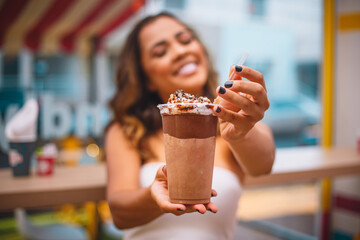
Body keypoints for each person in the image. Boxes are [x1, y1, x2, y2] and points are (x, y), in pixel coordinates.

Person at [105, 12, 275, 240]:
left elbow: (263, 165)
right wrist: (154, 197)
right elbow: (119, 214)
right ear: (146, 78)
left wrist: (239, 134)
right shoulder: (127, 130)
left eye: (185, 40)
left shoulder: (233, 118)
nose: (180, 51)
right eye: (160, 52)